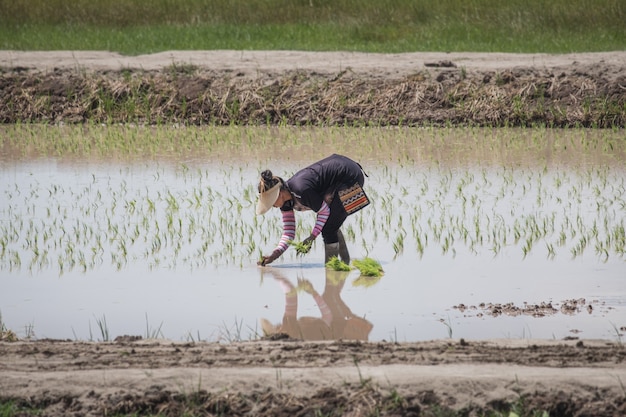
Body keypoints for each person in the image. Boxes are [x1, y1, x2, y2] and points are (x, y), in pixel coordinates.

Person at [256, 154, 369, 266]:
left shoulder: (301, 190)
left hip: (350, 176)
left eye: (272, 203)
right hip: (337, 180)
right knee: (330, 224)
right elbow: (289, 232)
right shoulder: (286, 202)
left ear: (279, 194)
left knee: (329, 228)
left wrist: (312, 237)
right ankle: (344, 263)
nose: (273, 207)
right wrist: (275, 254)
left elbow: (324, 211)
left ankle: (331, 268)